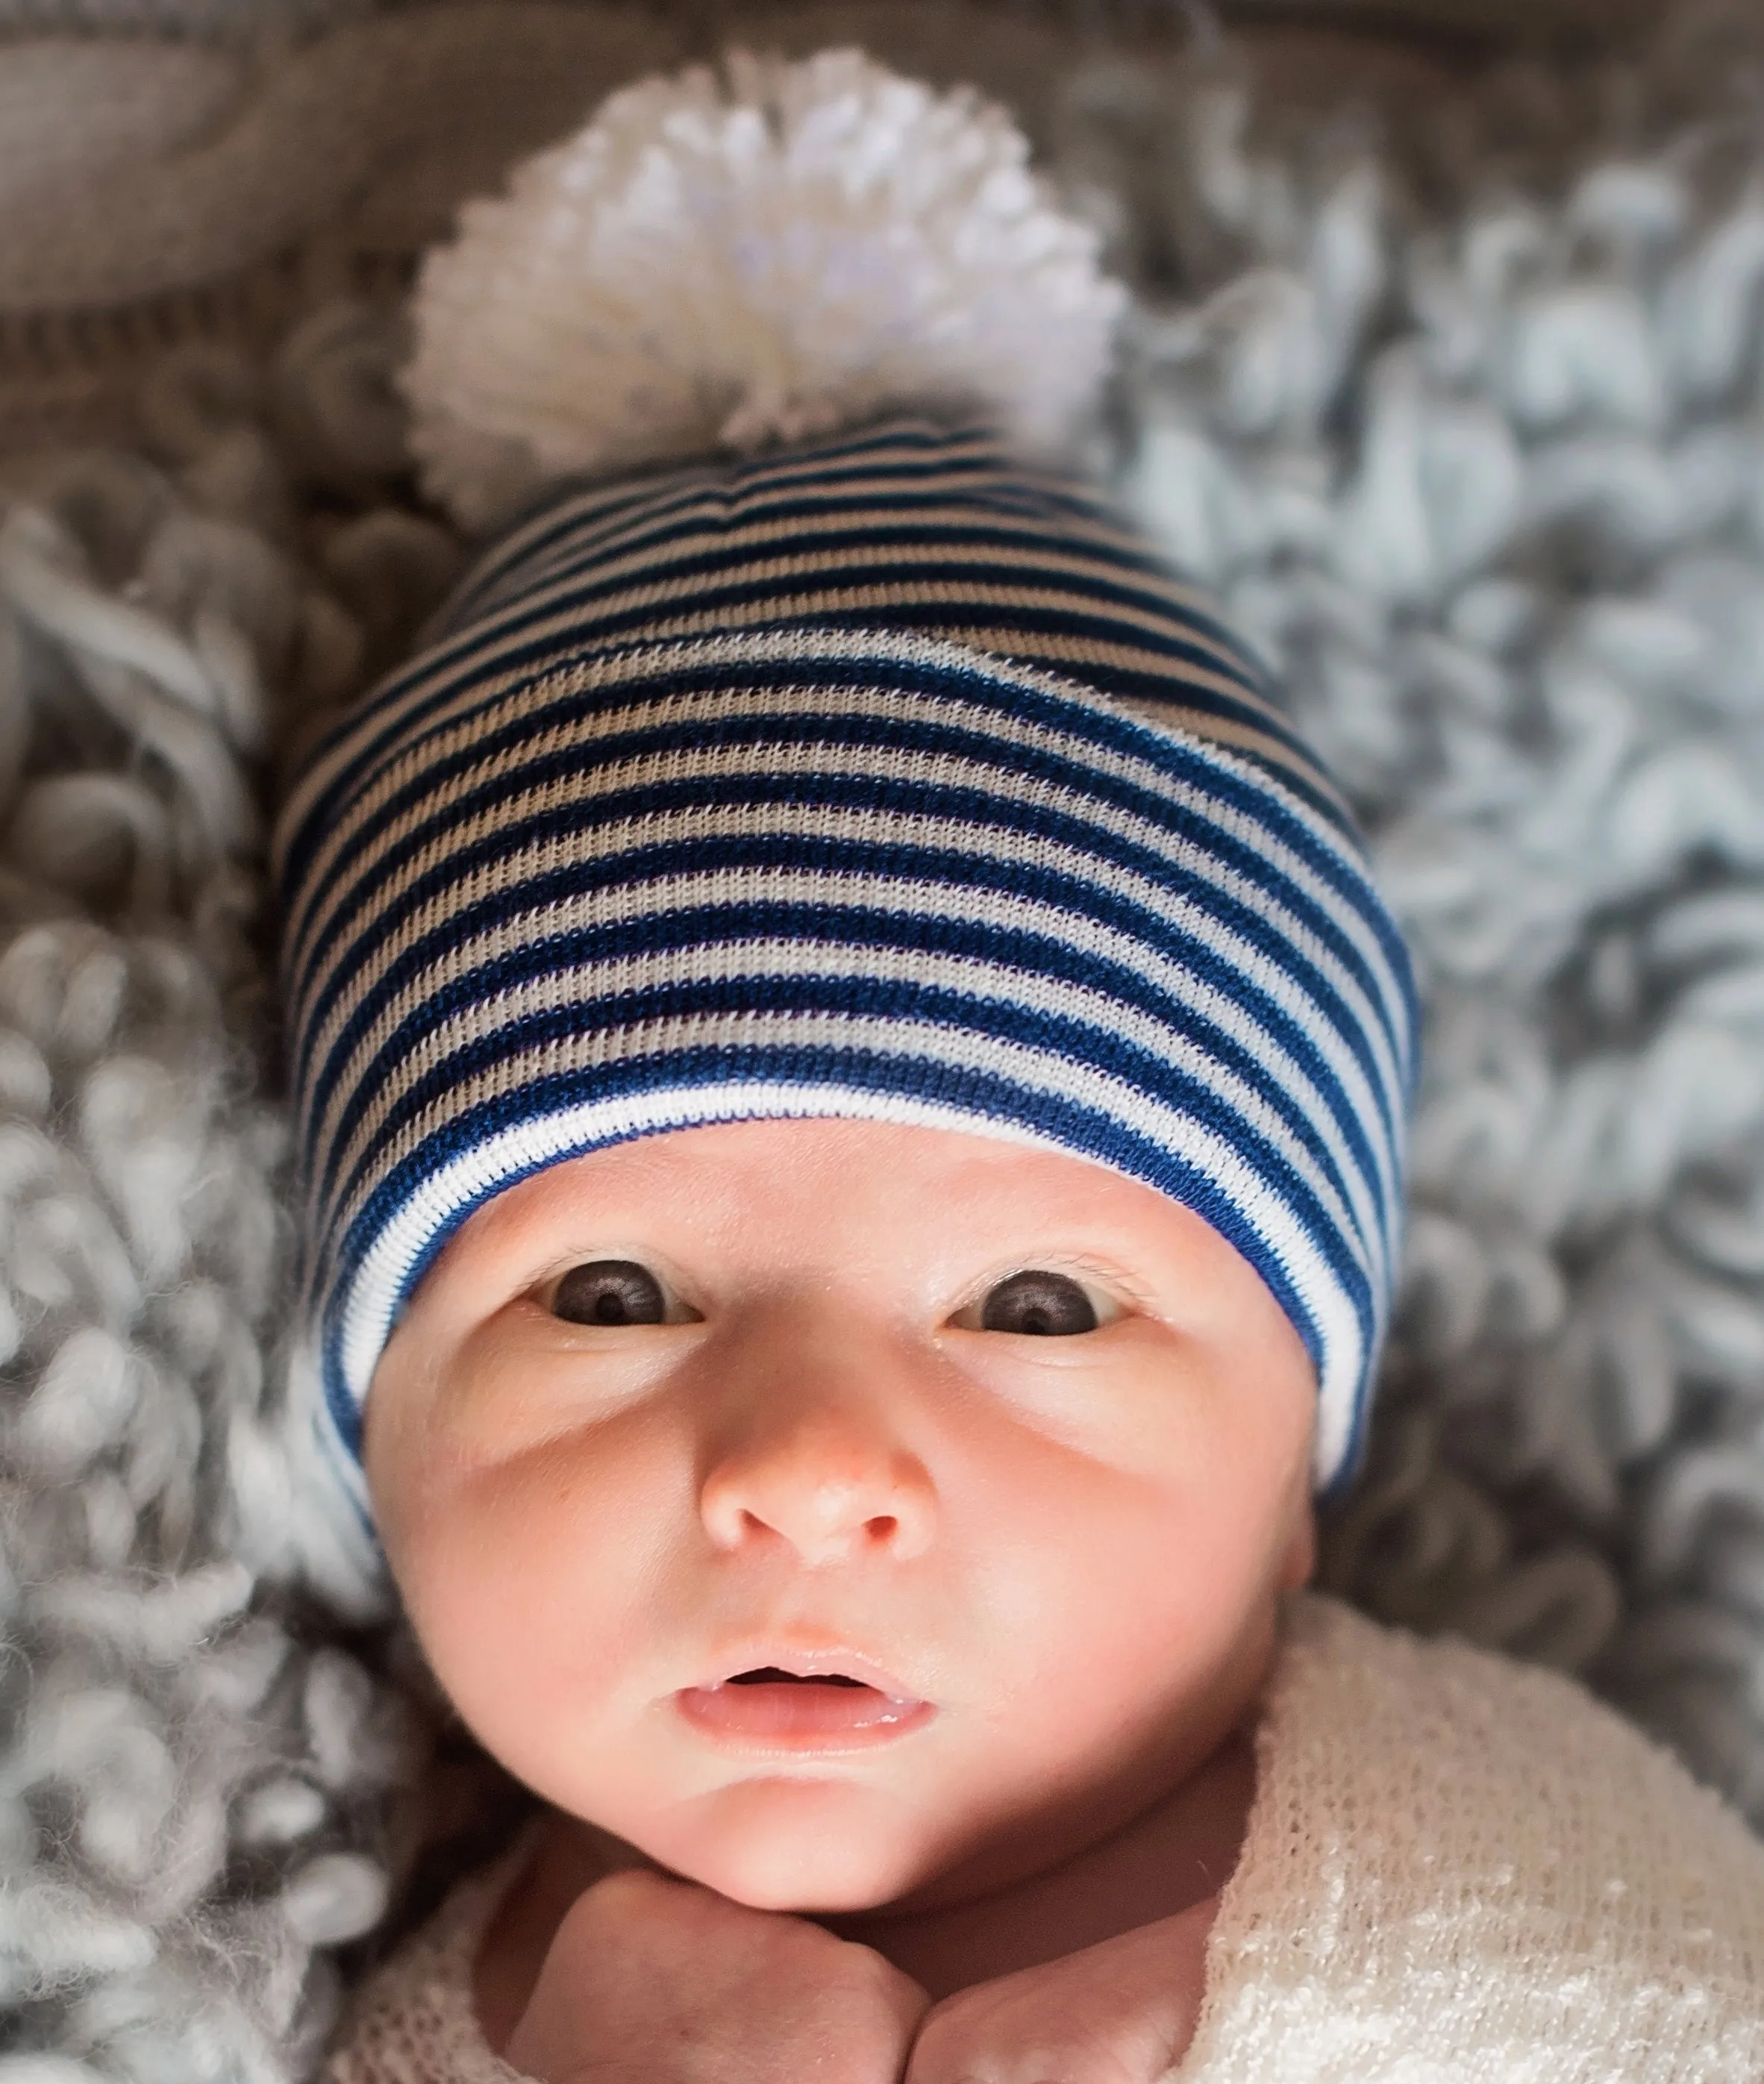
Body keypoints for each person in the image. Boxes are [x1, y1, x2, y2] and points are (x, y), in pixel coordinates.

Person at [284, 48, 1764, 2084]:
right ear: (370, 1434)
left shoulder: (1486, 1838)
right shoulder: (399, 1996)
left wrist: (1312, 2006)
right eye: (609, 1295)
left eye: (1041, 1304)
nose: (805, 1472)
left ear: (1288, 1491)